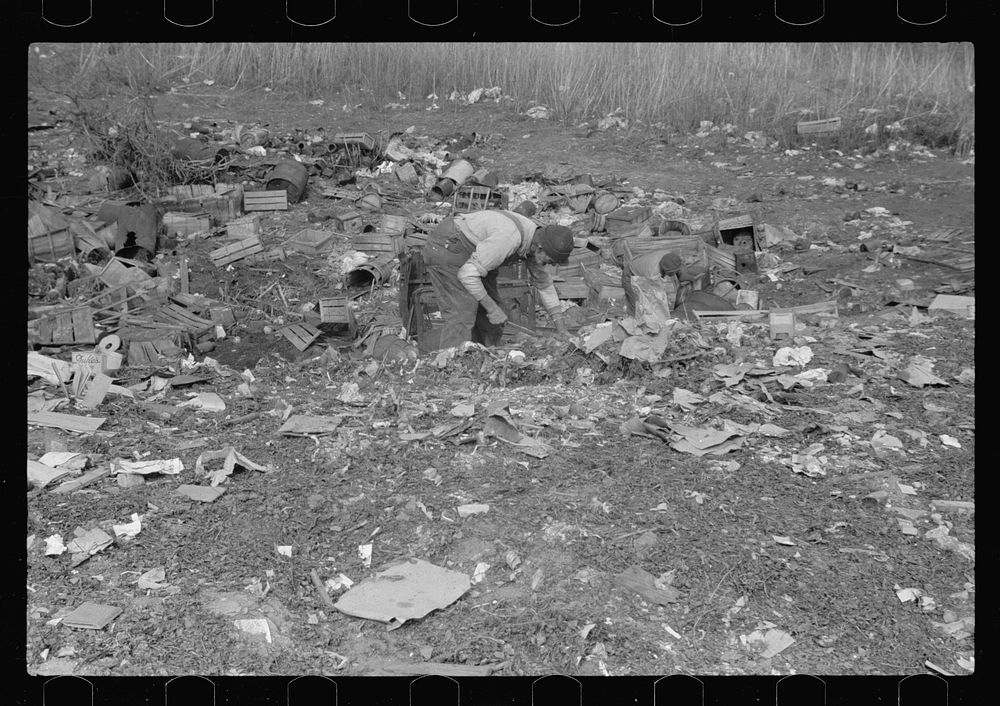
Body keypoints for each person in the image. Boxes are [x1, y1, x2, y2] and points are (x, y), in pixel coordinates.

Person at [422, 210, 574, 349]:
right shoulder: (507, 239)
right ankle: (451, 368)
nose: (550, 265)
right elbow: (467, 275)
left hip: (477, 254)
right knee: (463, 312)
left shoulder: (536, 242)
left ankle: (484, 356)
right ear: (540, 249)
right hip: (450, 247)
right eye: (550, 261)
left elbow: (544, 285)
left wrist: (561, 329)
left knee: (495, 317)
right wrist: (492, 309)